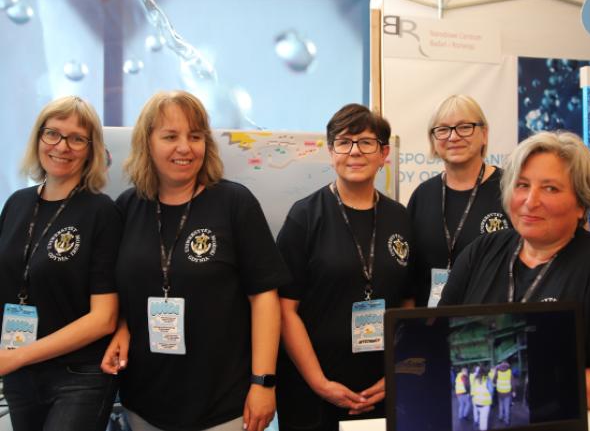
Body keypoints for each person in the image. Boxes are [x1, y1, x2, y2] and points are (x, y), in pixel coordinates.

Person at [100, 90, 289, 431]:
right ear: (147, 143)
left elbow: (264, 298)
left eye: (195, 136)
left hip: (224, 406)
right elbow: (122, 289)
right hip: (144, 403)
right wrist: (123, 326)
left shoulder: (234, 203)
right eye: (170, 136)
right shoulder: (127, 207)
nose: (185, 148)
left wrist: (264, 382)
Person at [440, 131, 590, 409]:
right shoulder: (479, 252)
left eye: (550, 188)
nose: (531, 201)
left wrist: (520, 381)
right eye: (522, 185)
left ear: (581, 205)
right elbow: (438, 341)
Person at [275, 104, 413, 431]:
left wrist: (395, 371)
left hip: (382, 387)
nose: (354, 152)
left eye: (366, 142)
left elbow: (408, 303)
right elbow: (285, 310)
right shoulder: (304, 216)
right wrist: (320, 383)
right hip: (312, 392)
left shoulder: (400, 217)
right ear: (330, 151)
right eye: (344, 142)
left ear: (384, 153)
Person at [0, 96, 121, 430]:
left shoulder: (101, 212)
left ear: (91, 150)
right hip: (19, 372)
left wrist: (18, 356)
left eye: (77, 138)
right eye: (52, 133)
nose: (62, 146)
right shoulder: (17, 203)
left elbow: (104, 319)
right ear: (39, 137)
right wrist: (14, 358)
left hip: (78, 376)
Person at [406, 94, 509, 307]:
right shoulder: (422, 196)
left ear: (484, 134)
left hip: (492, 321)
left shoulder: (510, 189)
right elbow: (410, 276)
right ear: (433, 140)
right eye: (443, 129)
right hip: (431, 322)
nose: (453, 137)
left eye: (464, 127)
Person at [472, 366, 494, 431]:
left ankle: (478, 423)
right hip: (485, 403)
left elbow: (474, 389)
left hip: (476, 402)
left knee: (480, 416)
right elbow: (491, 390)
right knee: (483, 420)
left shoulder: (475, 379)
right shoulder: (487, 379)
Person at [495, 360, 514, 425]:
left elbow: (494, 380)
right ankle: (506, 420)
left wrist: (496, 371)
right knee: (506, 407)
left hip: (500, 392)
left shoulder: (498, 372)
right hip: (507, 393)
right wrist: (514, 391)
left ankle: (500, 416)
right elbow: (512, 382)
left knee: (501, 405)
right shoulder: (509, 372)